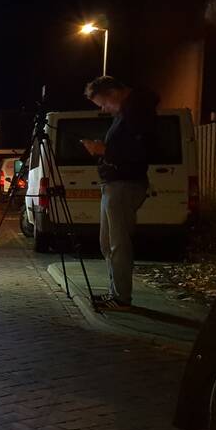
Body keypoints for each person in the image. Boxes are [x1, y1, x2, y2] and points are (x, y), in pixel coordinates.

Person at [80, 76, 158, 311]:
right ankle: (116, 293)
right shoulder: (127, 114)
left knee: (118, 243)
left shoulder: (137, 113)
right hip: (115, 184)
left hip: (124, 184)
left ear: (114, 92)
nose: (104, 109)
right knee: (108, 243)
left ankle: (122, 298)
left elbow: (139, 151)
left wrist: (103, 149)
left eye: (103, 103)